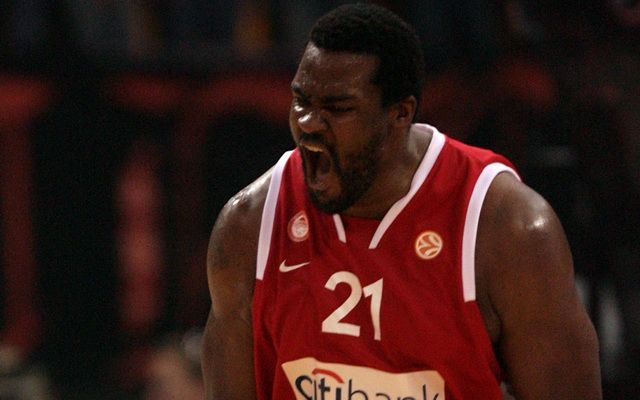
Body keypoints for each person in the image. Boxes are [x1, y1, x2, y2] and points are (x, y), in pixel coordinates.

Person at [202, 3, 602, 399]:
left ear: (400, 112)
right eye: (302, 101)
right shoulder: (249, 224)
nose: (308, 123)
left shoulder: (507, 228)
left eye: (338, 108)